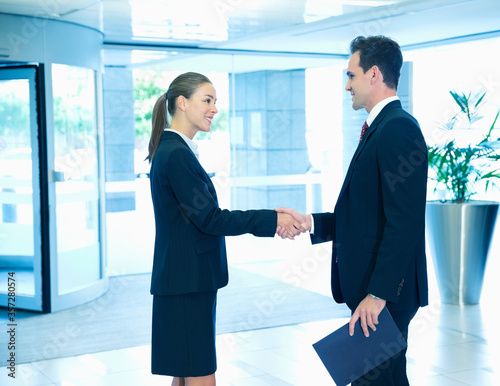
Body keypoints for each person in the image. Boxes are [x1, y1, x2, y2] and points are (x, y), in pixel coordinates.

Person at [277, 35, 428, 385]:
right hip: (376, 291)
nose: (347, 86)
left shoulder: (398, 129)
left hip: (385, 294)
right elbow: (364, 214)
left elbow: (403, 222)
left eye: (351, 76)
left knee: (372, 380)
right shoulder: (379, 128)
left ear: (373, 74)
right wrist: (310, 221)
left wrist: (378, 294)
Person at [147, 72, 304, 386]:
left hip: (183, 281)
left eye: (215, 101)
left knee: (186, 370)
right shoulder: (177, 154)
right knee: (201, 373)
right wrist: (272, 220)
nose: (214, 109)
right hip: (187, 282)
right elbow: (211, 219)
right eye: (207, 100)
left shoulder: (174, 150)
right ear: (182, 102)